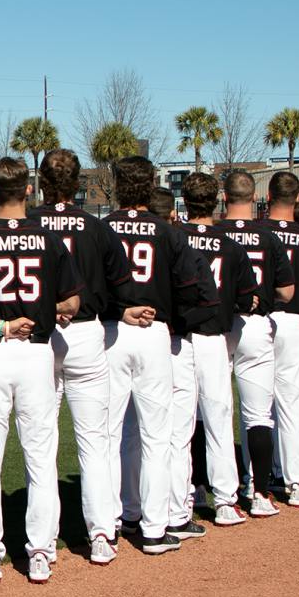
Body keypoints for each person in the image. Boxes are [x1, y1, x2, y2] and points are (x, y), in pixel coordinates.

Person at [0, 156, 81, 582]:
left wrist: (0, 321)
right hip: (36, 353)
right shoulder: (49, 238)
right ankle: (40, 551)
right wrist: (44, 306)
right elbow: (72, 303)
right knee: (40, 457)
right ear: (28, 190)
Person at [104, 157, 207, 551]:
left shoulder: (104, 226)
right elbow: (193, 287)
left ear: (116, 184)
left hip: (111, 330)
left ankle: (114, 520)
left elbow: (91, 283)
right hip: (154, 333)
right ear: (150, 186)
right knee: (156, 435)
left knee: (112, 433)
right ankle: (153, 527)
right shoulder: (167, 231)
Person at [33, 150, 128, 564]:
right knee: (95, 442)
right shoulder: (97, 226)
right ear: (78, 185)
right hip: (87, 332)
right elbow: (121, 286)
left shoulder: (30, 222)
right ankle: (102, 533)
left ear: (41, 181)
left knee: (42, 444)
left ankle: (44, 543)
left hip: (36, 335)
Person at [172, 174, 251, 528]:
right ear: (217, 200)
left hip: (177, 340)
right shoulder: (231, 244)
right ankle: (224, 502)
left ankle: (180, 504)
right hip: (213, 339)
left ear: (184, 200)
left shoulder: (173, 238)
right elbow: (248, 298)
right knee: (219, 422)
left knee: (179, 427)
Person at [218, 170, 294, 515]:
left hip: (215, 327)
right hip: (255, 325)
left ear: (224, 196)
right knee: (257, 415)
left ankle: (206, 493)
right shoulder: (268, 236)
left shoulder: (212, 232)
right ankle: (260, 493)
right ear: (256, 198)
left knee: (209, 414)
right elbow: (286, 291)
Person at [259, 170, 299, 508]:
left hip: (258, 321)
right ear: (298, 198)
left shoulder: (256, 232)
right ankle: (296, 481)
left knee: (256, 407)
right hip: (295, 321)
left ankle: (256, 478)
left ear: (269, 196)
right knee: (290, 403)